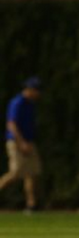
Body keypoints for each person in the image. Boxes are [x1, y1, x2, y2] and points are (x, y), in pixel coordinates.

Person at [0, 77, 43, 213]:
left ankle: (31, 204)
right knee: (15, 172)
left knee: (32, 173)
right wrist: (21, 143)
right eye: (36, 90)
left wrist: (29, 142)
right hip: (16, 141)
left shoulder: (30, 104)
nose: (38, 93)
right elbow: (12, 124)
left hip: (28, 142)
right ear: (30, 89)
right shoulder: (17, 103)